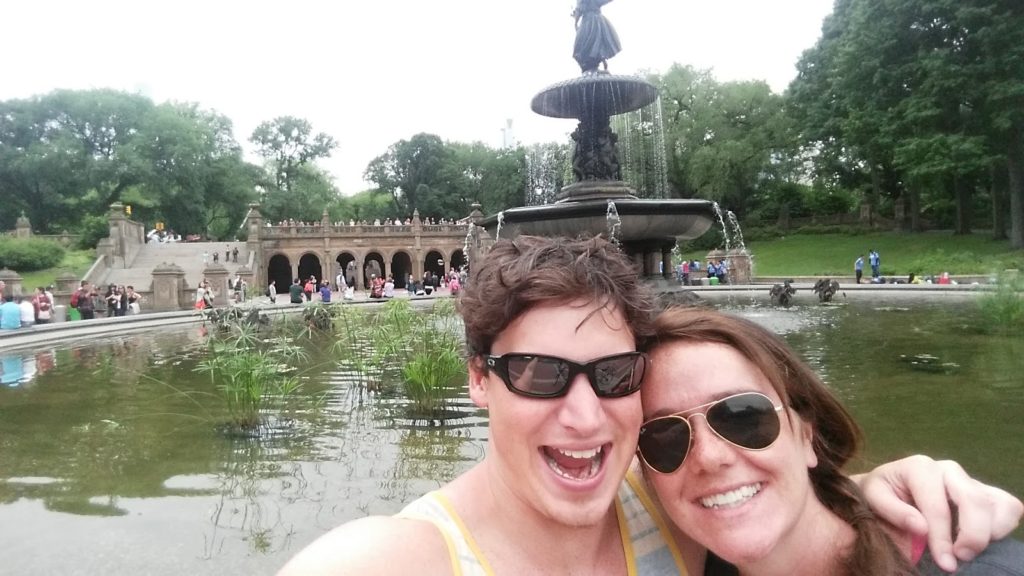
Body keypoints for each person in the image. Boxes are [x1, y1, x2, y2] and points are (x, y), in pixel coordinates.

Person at [278, 235, 1021, 576]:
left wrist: (874, 495)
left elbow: (754, 494)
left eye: (612, 375)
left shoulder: (662, 504)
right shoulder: (402, 558)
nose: (583, 414)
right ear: (479, 380)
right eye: (539, 373)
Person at [637, 306, 1024, 575]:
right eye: (665, 438)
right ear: (646, 475)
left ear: (806, 435)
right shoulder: (683, 561)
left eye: (743, 416)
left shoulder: (990, 569)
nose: (709, 457)